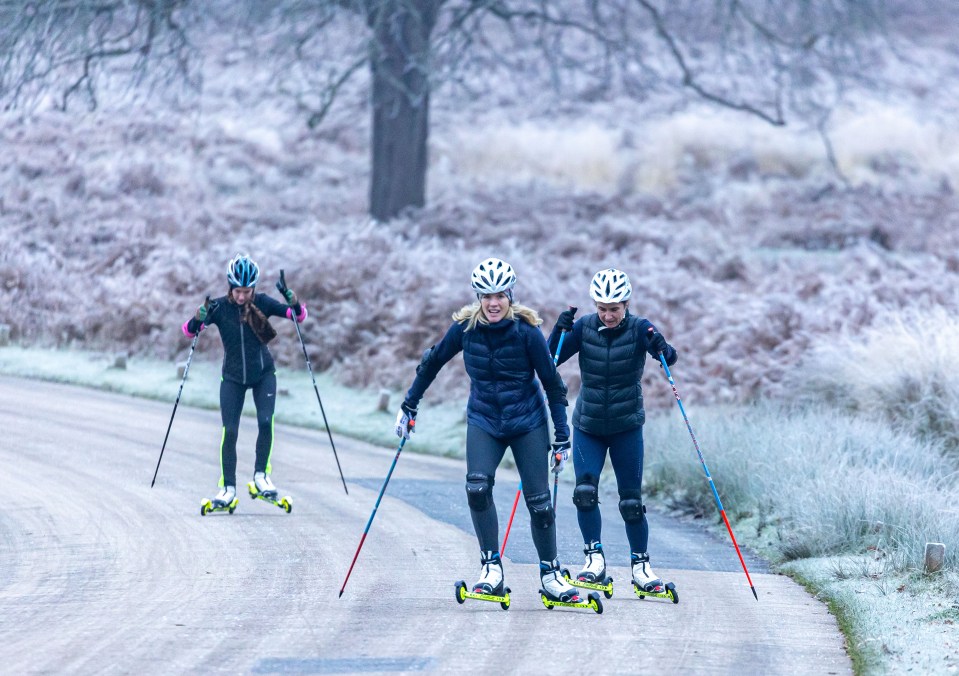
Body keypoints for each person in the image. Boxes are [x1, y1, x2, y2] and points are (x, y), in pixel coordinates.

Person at [394, 257, 584, 604]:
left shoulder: (527, 333)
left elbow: (554, 386)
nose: (493, 303)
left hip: (527, 422)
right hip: (484, 420)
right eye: (486, 296)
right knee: (477, 488)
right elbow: (432, 361)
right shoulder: (464, 330)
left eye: (499, 295)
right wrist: (409, 405)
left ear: (510, 296)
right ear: (477, 298)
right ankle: (491, 569)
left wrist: (562, 436)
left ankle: (551, 574)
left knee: (540, 503)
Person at [547, 268, 678, 596]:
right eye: (602, 308)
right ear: (595, 305)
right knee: (584, 493)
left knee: (631, 501)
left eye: (614, 309)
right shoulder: (585, 327)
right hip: (589, 424)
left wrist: (661, 345)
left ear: (626, 304)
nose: (607, 315)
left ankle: (641, 568)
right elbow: (550, 359)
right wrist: (558, 331)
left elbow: (669, 358)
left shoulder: (639, 328)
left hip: (626, 426)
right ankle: (594, 560)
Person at [183, 253, 307, 508]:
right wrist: (198, 316)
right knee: (230, 431)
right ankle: (228, 489)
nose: (242, 297)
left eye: (247, 291)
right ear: (230, 287)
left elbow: (298, 316)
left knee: (265, 421)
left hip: (263, 374)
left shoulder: (262, 302)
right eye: (238, 291)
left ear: (253, 289)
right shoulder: (218, 308)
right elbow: (189, 331)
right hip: (232, 377)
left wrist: (292, 300)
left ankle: (261, 477)